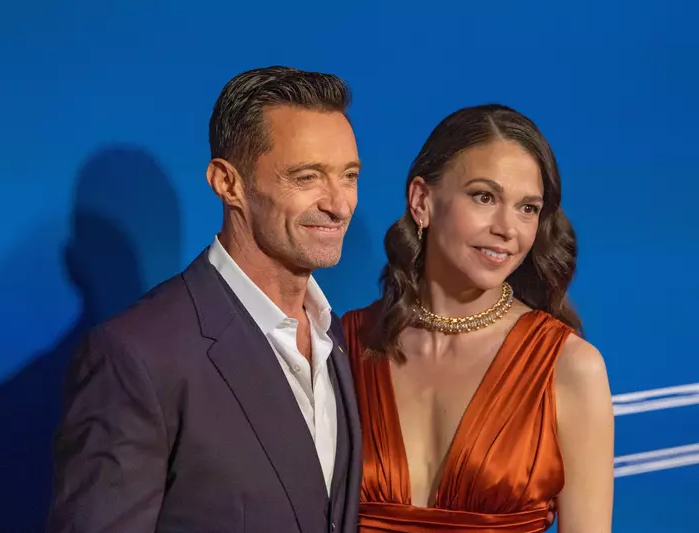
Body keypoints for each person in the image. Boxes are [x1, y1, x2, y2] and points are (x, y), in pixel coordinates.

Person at [47, 66, 363, 533]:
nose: (338, 204)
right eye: (307, 177)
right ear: (227, 182)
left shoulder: (339, 340)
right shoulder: (138, 356)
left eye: (349, 176)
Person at [342, 104, 614, 532]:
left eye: (528, 208)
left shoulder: (569, 367)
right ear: (422, 201)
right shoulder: (344, 343)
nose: (508, 228)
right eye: (484, 197)